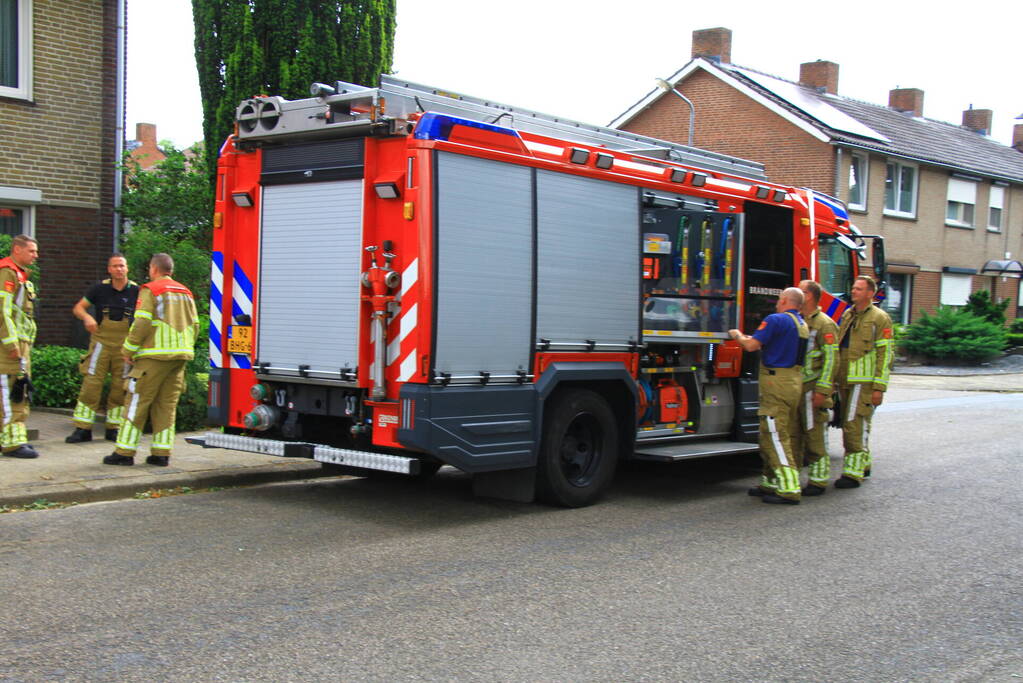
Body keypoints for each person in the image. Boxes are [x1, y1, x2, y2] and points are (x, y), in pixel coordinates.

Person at [103, 253, 198, 467]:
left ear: (154, 269)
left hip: (153, 356)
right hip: (180, 356)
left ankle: (124, 452)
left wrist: (128, 349)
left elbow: (142, 322)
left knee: (137, 401)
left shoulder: (151, 289)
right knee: (166, 405)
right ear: (170, 270)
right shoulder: (186, 292)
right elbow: (196, 324)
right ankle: (161, 453)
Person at [729, 287, 809, 505]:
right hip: (792, 382)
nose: (776, 303)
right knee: (770, 434)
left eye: (778, 299)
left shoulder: (776, 320)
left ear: (783, 300)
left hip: (776, 384)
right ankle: (771, 482)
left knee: (776, 436)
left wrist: (737, 335)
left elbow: (752, 345)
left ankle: (789, 487)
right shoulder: (801, 323)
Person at [65, 254, 139, 443]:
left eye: (122, 266)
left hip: (124, 346)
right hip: (100, 344)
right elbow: (78, 308)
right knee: (91, 385)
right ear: (109, 269)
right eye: (115, 266)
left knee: (119, 388)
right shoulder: (99, 289)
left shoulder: (137, 291)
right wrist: (87, 318)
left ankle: (113, 428)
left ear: (127, 268)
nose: (118, 269)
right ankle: (82, 428)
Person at [834, 275, 894, 488]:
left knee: (853, 425)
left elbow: (885, 354)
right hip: (844, 380)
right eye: (853, 288)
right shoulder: (848, 313)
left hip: (863, 382)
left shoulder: (880, 318)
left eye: (859, 289)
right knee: (856, 424)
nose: (854, 292)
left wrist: (879, 387)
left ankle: (852, 474)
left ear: (870, 293)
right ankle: (863, 463)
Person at [793, 280, 840, 495]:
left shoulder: (825, 324)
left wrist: (822, 390)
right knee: (794, 435)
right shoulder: (796, 319)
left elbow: (832, 359)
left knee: (814, 436)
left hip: (812, 387)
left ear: (809, 296)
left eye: (801, 290)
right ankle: (791, 480)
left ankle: (818, 481)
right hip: (795, 386)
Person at [0, 235, 39, 459]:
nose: (36, 255)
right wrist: (11, 343)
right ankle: (12, 443)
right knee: (11, 391)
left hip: (21, 343)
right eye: (32, 251)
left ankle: (14, 439)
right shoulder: (7, 272)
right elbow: (3, 311)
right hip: (11, 346)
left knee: (19, 390)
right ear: (17, 250)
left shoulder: (20, 275)